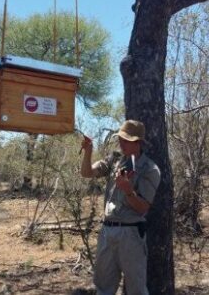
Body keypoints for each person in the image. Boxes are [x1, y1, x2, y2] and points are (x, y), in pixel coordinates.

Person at [80, 120, 161, 295]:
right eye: (121, 139)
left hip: (131, 235)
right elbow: (87, 173)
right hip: (107, 232)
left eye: (127, 140)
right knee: (103, 288)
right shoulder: (114, 159)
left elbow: (142, 208)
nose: (122, 143)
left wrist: (128, 191)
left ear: (138, 142)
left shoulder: (150, 169)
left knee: (136, 290)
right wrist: (88, 152)